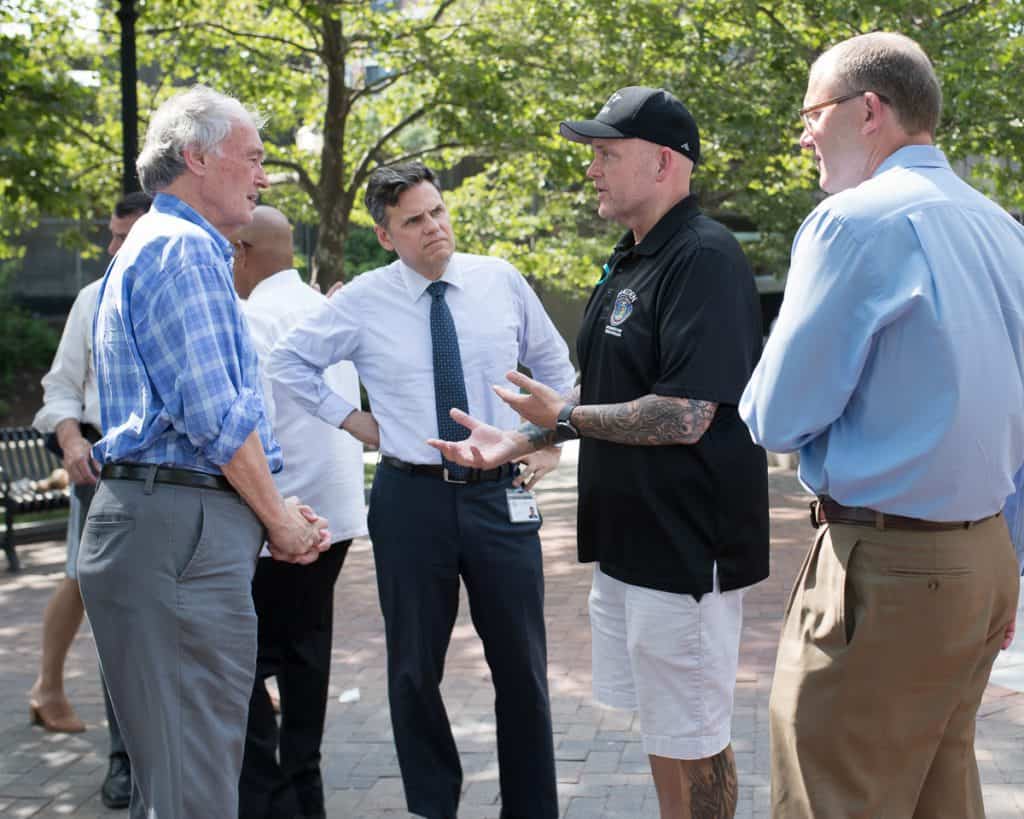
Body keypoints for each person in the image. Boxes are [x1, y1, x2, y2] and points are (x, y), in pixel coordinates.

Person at [429, 87, 770, 818]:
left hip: (687, 550)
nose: (593, 169)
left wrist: (566, 414)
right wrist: (522, 438)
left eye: (608, 154)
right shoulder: (632, 256)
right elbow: (602, 389)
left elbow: (685, 414)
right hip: (631, 543)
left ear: (665, 164)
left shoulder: (705, 257)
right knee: (664, 724)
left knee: (697, 733)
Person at [737, 32, 1024, 818]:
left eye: (811, 113)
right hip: (982, 560)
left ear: (869, 111)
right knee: (942, 795)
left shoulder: (849, 225)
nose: (802, 134)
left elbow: (777, 415)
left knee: (831, 796)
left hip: (886, 566)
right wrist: (1008, 568)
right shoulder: (1005, 229)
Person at [267, 162, 575, 819]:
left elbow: (558, 370)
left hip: (500, 494)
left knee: (521, 666)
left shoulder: (500, 281)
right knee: (413, 669)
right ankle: (433, 805)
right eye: (414, 220)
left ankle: (532, 809)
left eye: (437, 211)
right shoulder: (361, 301)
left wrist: (542, 439)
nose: (434, 227)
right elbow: (287, 361)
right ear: (386, 235)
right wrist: (352, 419)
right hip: (411, 500)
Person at [76, 85, 330, 819]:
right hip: (177, 528)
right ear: (195, 156)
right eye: (252, 157)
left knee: (181, 777)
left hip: (164, 522)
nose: (264, 174)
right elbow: (216, 417)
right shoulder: (186, 250)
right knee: (195, 786)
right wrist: (279, 520)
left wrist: (273, 509)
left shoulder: (160, 245)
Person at [232, 205, 368, 819]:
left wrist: (270, 517)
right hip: (336, 514)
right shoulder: (326, 309)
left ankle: (266, 792)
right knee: (306, 651)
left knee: (248, 660)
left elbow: (249, 431)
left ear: (241, 250)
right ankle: (302, 786)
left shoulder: (250, 316)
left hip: (284, 519)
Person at [29, 190, 151, 809]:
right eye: (110, 235)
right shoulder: (91, 298)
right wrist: (72, 439)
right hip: (103, 476)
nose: (110, 250)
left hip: (189, 482)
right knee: (114, 618)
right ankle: (123, 757)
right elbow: (59, 389)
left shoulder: (207, 289)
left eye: (121, 239)